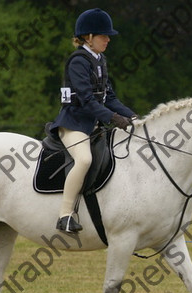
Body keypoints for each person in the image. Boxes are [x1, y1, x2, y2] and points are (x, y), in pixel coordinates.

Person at [48, 8, 136, 234]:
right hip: (74, 124)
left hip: (94, 126)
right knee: (84, 160)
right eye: (103, 36)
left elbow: (110, 98)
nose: (108, 39)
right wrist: (113, 118)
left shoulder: (100, 60)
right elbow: (86, 100)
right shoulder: (78, 61)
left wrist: (133, 117)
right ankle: (65, 215)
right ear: (88, 37)